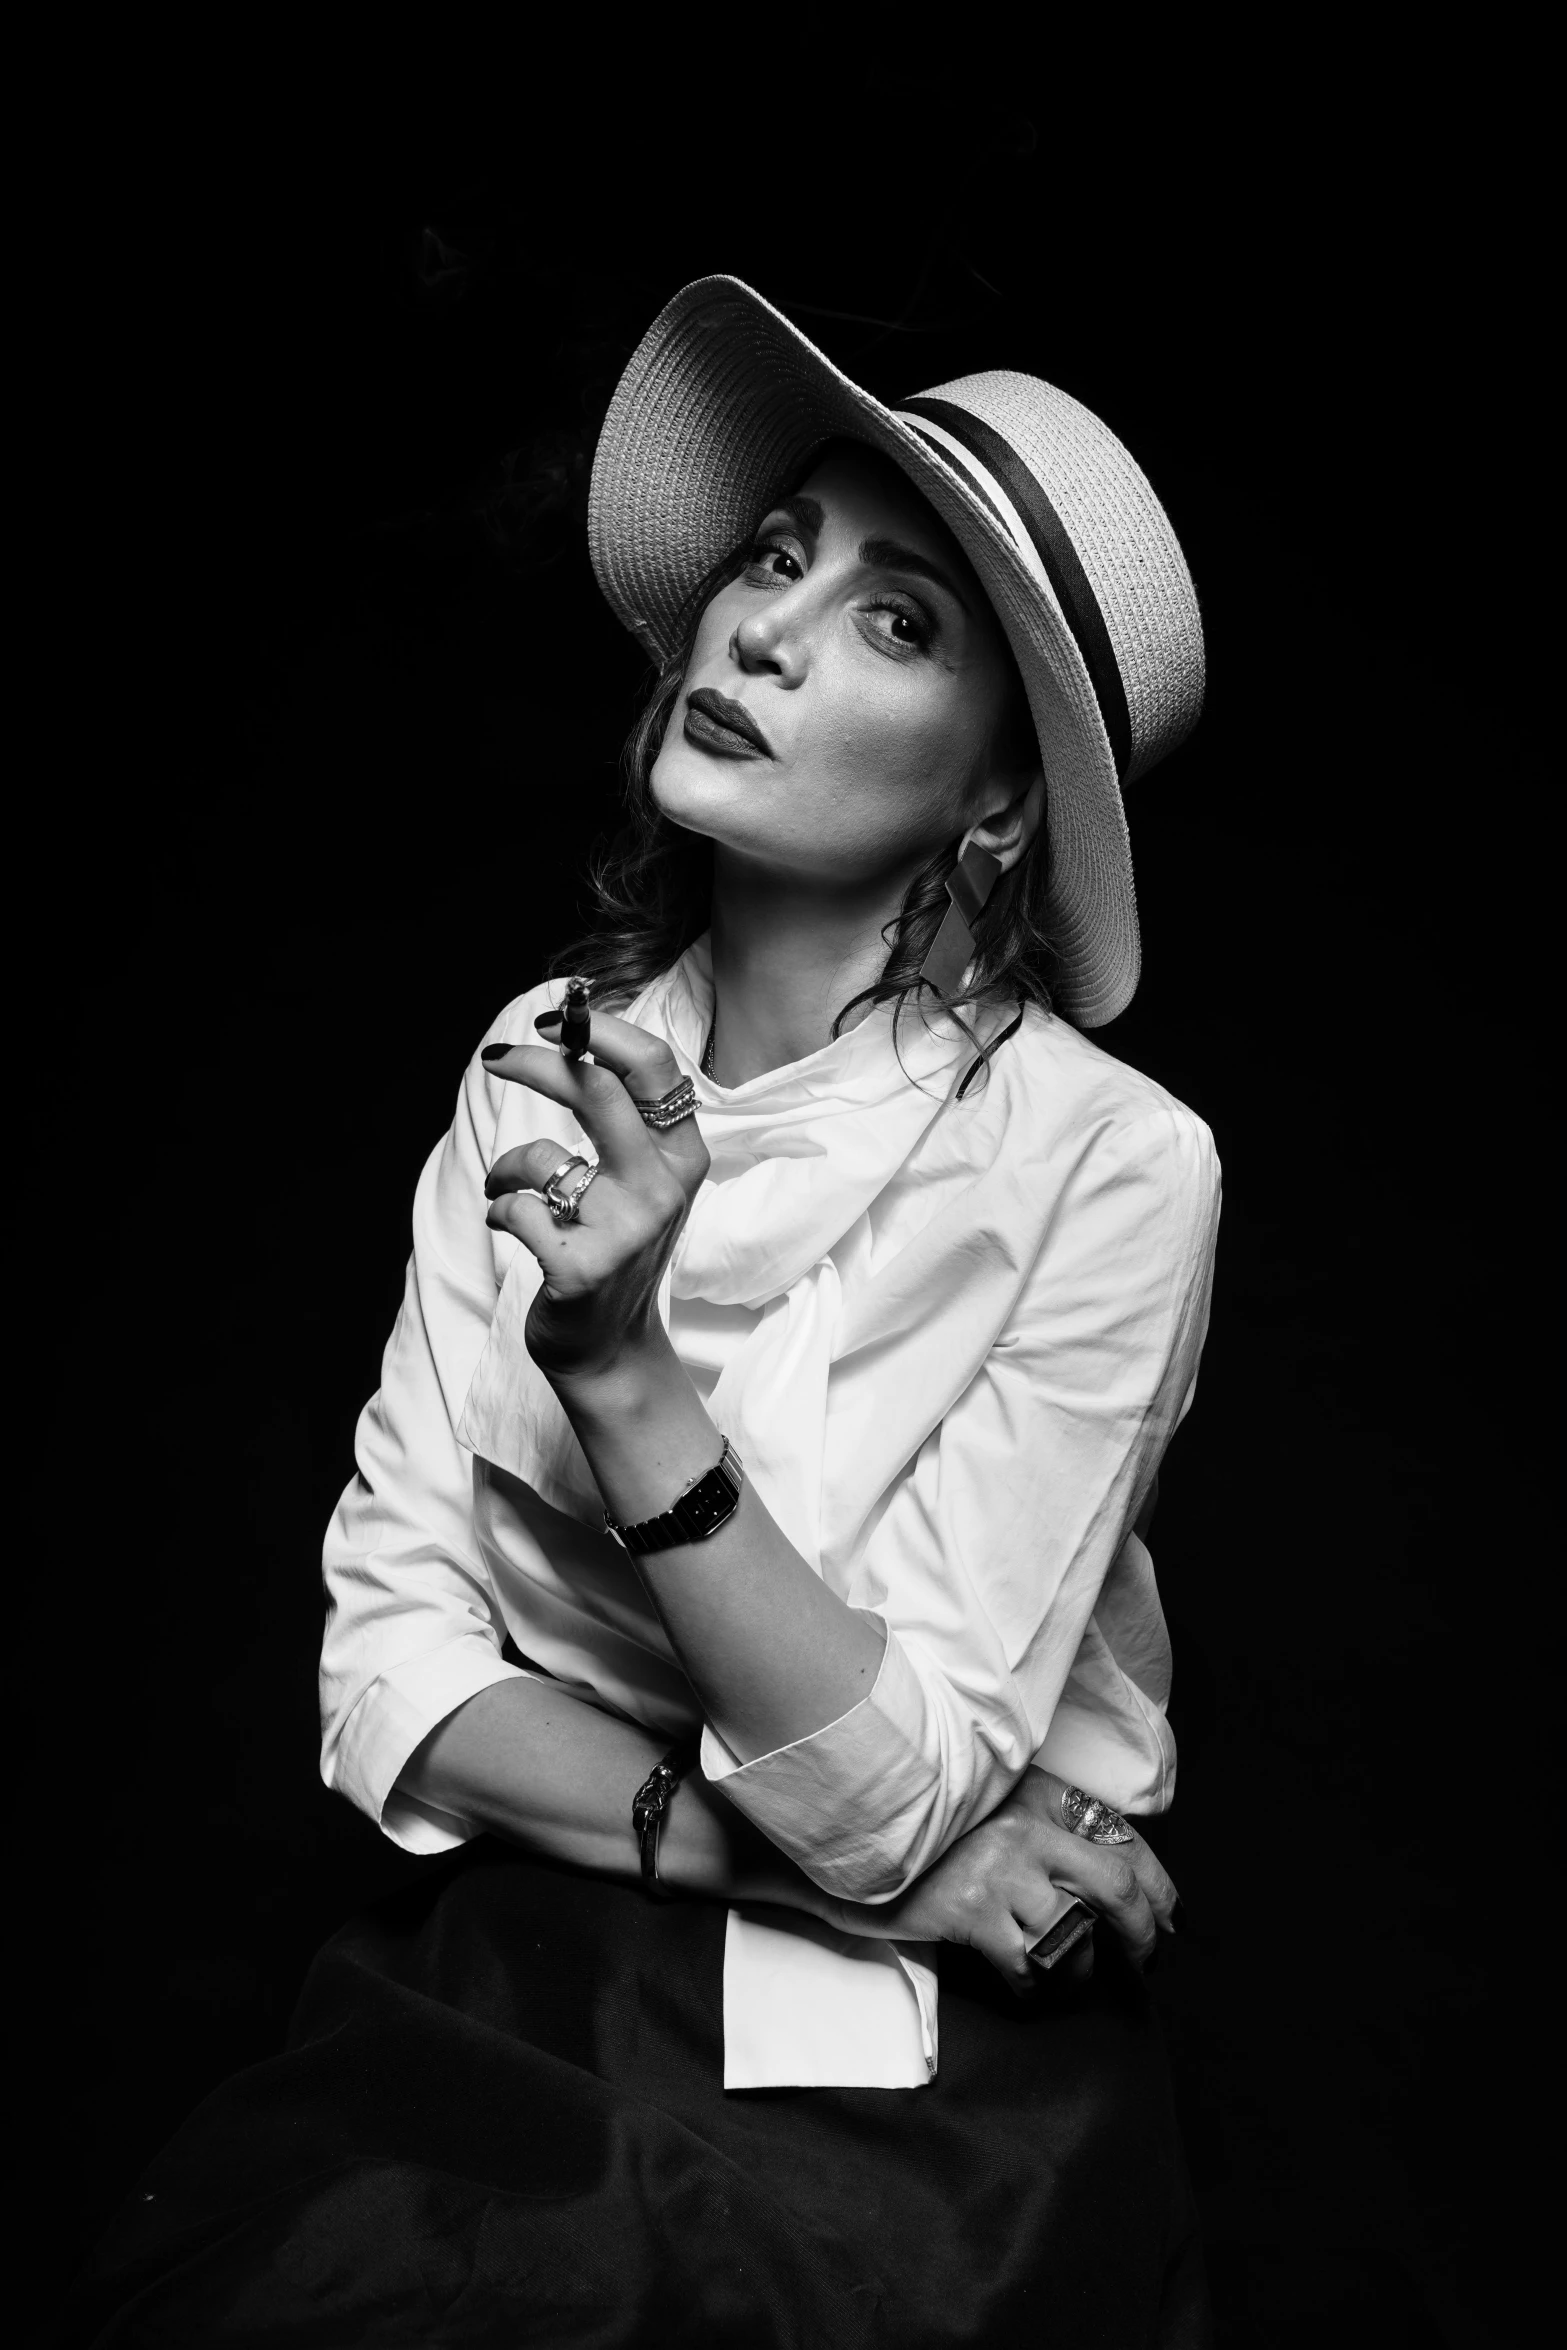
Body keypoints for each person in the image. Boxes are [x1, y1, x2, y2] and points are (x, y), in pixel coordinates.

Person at [71, 276, 1219, 2347]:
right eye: (775, 558)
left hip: (939, 2056)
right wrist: (770, 1856)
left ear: (996, 797)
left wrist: (619, 1371)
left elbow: (904, 1791)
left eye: (897, 618)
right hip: (544, 1950)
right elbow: (390, 1667)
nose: (766, 625)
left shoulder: (1109, 1164)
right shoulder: (535, 1055)